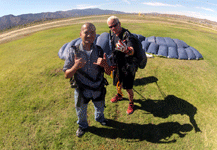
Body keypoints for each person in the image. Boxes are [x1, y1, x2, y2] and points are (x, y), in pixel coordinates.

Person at [63, 23, 112, 137]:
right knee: (81, 111)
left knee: (100, 107)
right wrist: (75, 66)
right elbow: (66, 75)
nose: (90, 35)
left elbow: (109, 72)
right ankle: (82, 126)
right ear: (80, 34)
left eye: (93, 32)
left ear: (95, 34)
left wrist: (105, 65)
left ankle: (100, 118)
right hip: (81, 90)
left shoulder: (99, 51)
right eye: (86, 32)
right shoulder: (73, 51)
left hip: (98, 88)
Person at [107, 16, 138, 115]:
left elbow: (132, 50)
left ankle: (131, 103)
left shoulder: (127, 35)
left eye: (114, 25)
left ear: (119, 24)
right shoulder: (113, 35)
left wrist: (127, 50)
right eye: (110, 27)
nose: (112, 28)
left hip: (128, 66)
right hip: (118, 64)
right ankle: (119, 95)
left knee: (128, 87)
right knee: (117, 82)